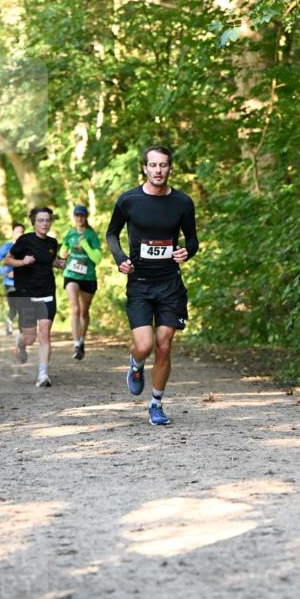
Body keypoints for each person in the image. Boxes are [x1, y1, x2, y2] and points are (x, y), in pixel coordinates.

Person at [106, 145, 199, 426]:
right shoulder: (129, 200)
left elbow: (192, 239)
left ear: (170, 168)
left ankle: (156, 403)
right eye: (153, 165)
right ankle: (135, 363)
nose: (158, 170)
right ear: (145, 168)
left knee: (164, 344)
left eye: (164, 165)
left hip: (170, 283)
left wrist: (187, 251)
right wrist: (121, 259)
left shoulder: (182, 203)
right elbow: (112, 234)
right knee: (144, 345)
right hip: (140, 283)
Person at [4, 207, 64, 388]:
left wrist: (59, 263)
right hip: (26, 294)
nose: (45, 223)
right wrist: (22, 262)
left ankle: (43, 374)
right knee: (30, 338)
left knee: (44, 334)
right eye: (41, 220)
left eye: (47, 220)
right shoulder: (24, 240)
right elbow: (7, 260)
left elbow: (50, 260)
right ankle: (20, 342)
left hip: (47, 293)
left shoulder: (53, 243)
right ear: (34, 222)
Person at [60, 205, 102, 360]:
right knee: (75, 309)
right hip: (71, 275)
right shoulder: (69, 234)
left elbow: (97, 259)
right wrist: (62, 253)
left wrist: (84, 244)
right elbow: (62, 252)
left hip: (88, 277)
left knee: (84, 311)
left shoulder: (91, 235)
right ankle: (76, 344)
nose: (79, 218)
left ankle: (82, 340)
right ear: (74, 217)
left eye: (82, 216)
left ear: (86, 217)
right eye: (77, 215)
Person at [0, 222, 25, 336]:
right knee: (14, 308)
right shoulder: (6, 247)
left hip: (24, 282)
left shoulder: (27, 248)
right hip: (9, 282)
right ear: (12, 233)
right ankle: (9, 321)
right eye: (17, 232)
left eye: (22, 232)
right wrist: (5, 272)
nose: (19, 234)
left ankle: (22, 332)